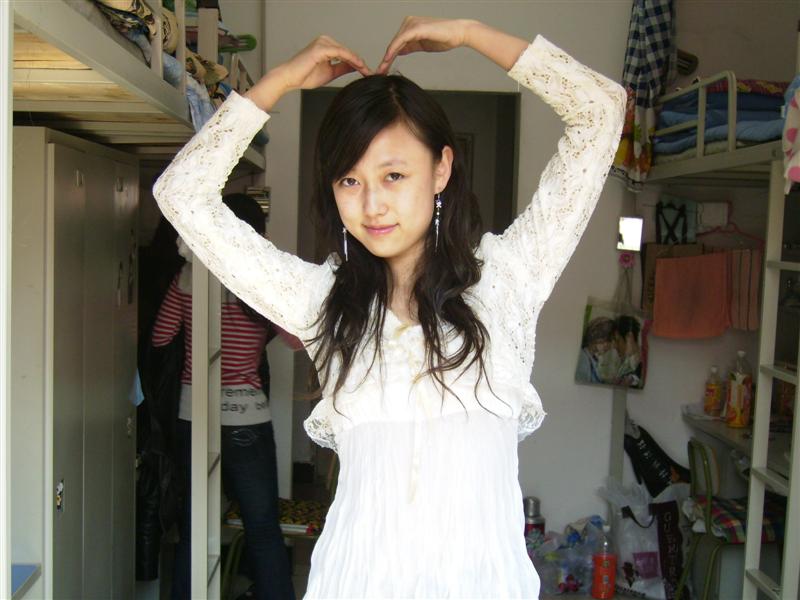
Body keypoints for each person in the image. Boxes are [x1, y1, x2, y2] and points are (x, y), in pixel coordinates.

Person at [153, 16, 625, 598]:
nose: (372, 204)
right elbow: (181, 193)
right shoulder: (320, 303)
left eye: (394, 174)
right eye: (349, 181)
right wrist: (282, 80)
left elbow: (600, 112)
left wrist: (471, 34)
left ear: (441, 169)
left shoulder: (507, 282)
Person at [151, 194, 300, 600]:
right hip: (245, 417)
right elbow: (297, 339)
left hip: (193, 413)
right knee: (262, 527)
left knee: (195, 525)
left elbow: (160, 337)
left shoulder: (187, 277)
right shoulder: (258, 283)